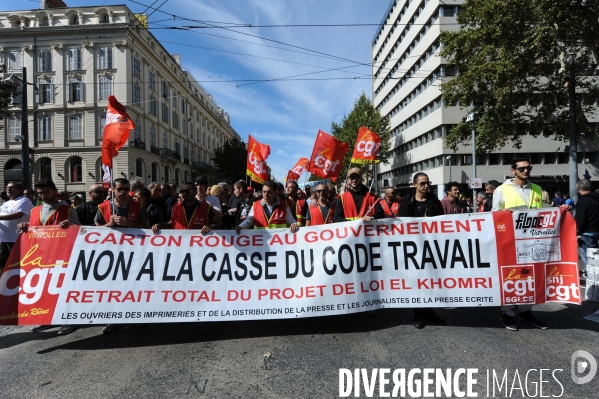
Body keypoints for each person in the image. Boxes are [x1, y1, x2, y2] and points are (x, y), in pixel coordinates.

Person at [19, 179, 80, 336]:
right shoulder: (34, 210)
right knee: (45, 289)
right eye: (40, 193)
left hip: (62, 257)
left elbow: (80, 232)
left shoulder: (67, 209)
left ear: (54, 190)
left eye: (46, 192)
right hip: (41, 257)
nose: (43, 195)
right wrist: (24, 228)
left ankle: (68, 320)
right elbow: (32, 232)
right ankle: (47, 318)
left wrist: (72, 227)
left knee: (63, 289)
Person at [492, 157, 545, 331]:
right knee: (511, 276)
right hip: (510, 241)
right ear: (512, 170)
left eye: (528, 168)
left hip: (533, 240)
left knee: (532, 276)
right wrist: (503, 214)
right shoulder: (501, 190)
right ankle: (507, 313)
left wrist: (563, 212)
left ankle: (526, 310)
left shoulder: (537, 189)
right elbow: (494, 214)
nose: (526, 171)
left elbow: (542, 213)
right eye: (521, 169)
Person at [398, 172, 445, 329]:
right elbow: (401, 227)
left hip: (431, 247)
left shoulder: (435, 202)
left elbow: (442, 224)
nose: (426, 186)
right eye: (422, 183)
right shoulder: (406, 204)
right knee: (417, 281)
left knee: (430, 279)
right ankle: (418, 313)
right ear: (414, 184)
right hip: (413, 250)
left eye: (427, 183)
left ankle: (429, 310)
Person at [152, 182, 220, 234]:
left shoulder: (205, 207)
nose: (184, 193)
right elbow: (172, 224)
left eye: (187, 191)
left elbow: (219, 223)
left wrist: (211, 226)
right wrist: (159, 225)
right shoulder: (176, 207)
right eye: (182, 191)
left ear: (195, 192)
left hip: (199, 245)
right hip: (180, 244)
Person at [0, 182, 33, 271]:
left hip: (16, 239)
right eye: (7, 188)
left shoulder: (24, 200)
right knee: (2, 265)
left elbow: (18, 215)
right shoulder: (5, 203)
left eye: (11, 187)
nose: (8, 189)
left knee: (15, 265)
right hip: (3, 240)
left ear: (20, 190)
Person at [574, 179, 599, 273]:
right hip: (596, 231)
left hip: (586, 232)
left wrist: (576, 231)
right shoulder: (596, 198)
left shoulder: (583, 200)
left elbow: (580, 219)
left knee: (589, 258)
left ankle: (592, 276)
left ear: (578, 188)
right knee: (595, 255)